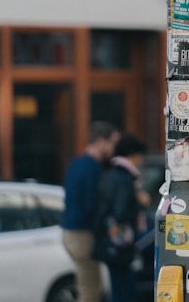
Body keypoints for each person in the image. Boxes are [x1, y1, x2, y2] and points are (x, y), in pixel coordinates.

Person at [62, 121, 120, 302]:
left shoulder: (76, 163)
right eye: (112, 143)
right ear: (101, 141)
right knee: (90, 290)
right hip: (83, 233)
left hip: (70, 231)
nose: (113, 149)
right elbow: (93, 204)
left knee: (91, 285)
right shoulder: (93, 168)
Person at [93, 133, 151, 302]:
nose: (141, 161)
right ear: (132, 154)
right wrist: (141, 202)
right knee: (126, 288)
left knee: (119, 286)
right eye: (140, 156)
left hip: (110, 241)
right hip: (120, 241)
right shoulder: (125, 177)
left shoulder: (110, 172)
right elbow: (121, 211)